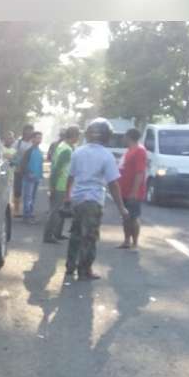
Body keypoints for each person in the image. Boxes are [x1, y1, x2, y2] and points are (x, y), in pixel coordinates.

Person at [63, 118, 130, 281]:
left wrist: (68, 197)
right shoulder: (106, 156)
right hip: (93, 200)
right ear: (107, 136)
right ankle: (85, 270)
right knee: (90, 237)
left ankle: (70, 267)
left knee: (76, 234)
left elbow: (70, 177)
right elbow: (113, 184)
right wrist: (121, 207)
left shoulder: (78, 152)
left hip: (77, 199)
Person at [43, 125, 81, 243]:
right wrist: (52, 186)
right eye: (78, 135)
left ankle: (57, 233)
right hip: (60, 185)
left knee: (61, 211)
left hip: (63, 184)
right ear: (74, 136)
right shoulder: (66, 150)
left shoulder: (64, 146)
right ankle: (48, 235)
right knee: (55, 211)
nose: (78, 138)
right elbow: (56, 169)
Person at [116, 128, 148, 250]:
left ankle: (135, 243)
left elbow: (139, 173)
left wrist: (134, 192)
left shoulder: (140, 151)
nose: (123, 138)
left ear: (129, 137)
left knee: (133, 217)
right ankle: (126, 241)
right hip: (123, 190)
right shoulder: (129, 150)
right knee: (125, 216)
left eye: (124, 136)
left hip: (133, 192)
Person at [12, 124, 34, 217]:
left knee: (29, 192)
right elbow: (12, 153)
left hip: (29, 170)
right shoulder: (18, 143)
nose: (29, 133)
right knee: (17, 190)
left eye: (31, 131)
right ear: (24, 132)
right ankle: (16, 210)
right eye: (27, 131)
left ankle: (28, 210)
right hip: (19, 170)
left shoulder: (33, 143)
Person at [21, 131, 44, 223]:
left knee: (33, 197)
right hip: (29, 178)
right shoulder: (28, 151)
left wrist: (40, 175)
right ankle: (27, 216)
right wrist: (28, 173)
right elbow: (23, 164)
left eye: (40, 138)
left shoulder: (39, 151)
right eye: (37, 137)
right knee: (28, 197)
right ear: (33, 139)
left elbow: (40, 165)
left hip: (36, 178)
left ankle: (30, 213)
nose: (39, 140)